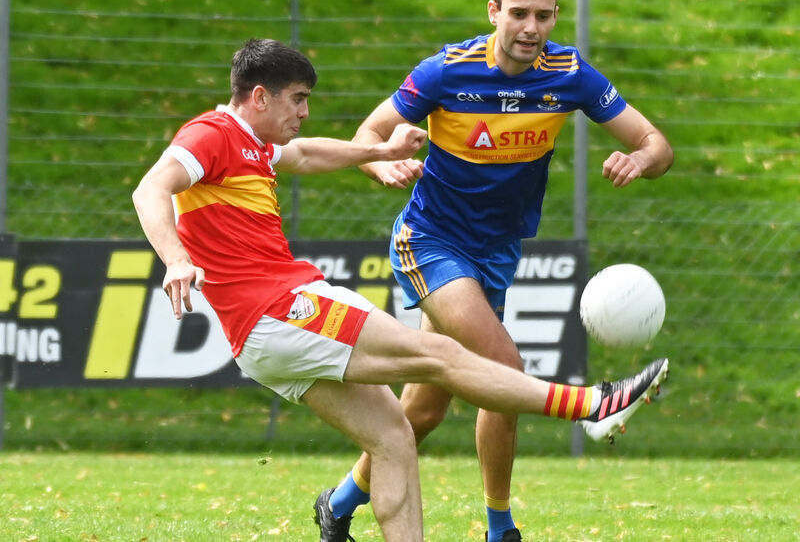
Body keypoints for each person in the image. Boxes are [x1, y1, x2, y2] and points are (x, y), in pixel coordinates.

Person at [132, 38, 669, 542]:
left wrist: (379, 151)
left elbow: (308, 155)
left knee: (394, 437)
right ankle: (594, 404)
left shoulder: (253, 145)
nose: (304, 112)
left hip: (262, 337)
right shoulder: (211, 134)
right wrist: (176, 260)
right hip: (280, 309)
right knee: (437, 355)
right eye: (297, 100)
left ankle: (342, 506)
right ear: (257, 97)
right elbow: (151, 187)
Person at [316, 0, 675, 542]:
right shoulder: (445, 72)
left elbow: (657, 143)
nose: (531, 27)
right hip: (430, 242)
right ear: (494, 13)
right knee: (502, 370)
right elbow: (368, 134)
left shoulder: (570, 75)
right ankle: (499, 528)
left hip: (496, 254)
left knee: (425, 412)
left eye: (543, 15)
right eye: (519, 13)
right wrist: (383, 162)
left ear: (555, 16)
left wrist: (640, 159)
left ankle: (338, 503)